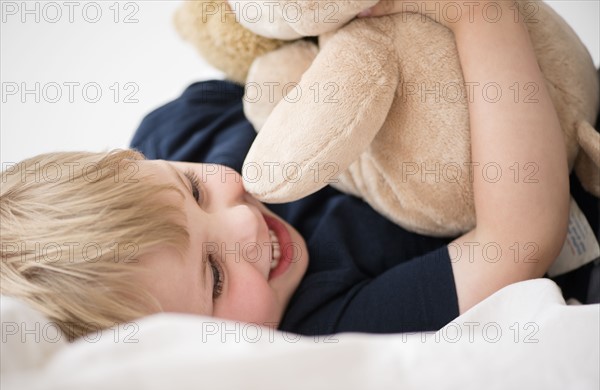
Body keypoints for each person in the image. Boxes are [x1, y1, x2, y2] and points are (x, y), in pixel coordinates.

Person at [1, 1, 596, 341]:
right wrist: (476, 14)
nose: (242, 225)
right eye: (213, 278)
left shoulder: (177, 131)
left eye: (195, 188)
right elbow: (517, 241)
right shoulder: (320, 324)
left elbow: (275, 46)